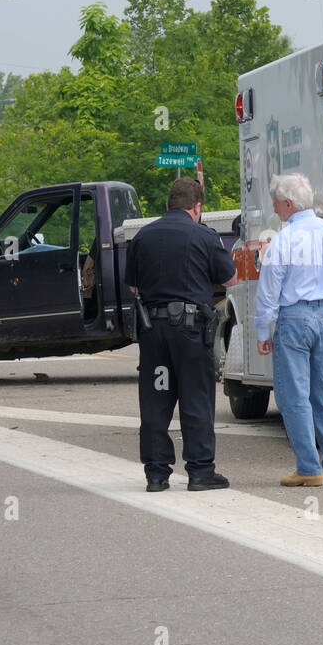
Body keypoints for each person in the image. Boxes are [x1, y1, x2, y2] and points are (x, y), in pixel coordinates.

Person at [125, 178, 238, 492]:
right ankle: (200, 472)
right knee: (195, 398)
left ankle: (156, 474)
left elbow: (133, 286)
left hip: (153, 333)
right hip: (189, 333)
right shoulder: (204, 236)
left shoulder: (143, 237)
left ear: (167, 205)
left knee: (156, 401)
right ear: (197, 207)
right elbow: (230, 278)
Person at [255, 173, 323, 487]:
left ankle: (309, 468)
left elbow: (269, 289)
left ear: (288, 204)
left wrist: (262, 330)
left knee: (293, 395)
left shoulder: (283, 238)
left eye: (276, 205)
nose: (275, 212)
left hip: (294, 318)